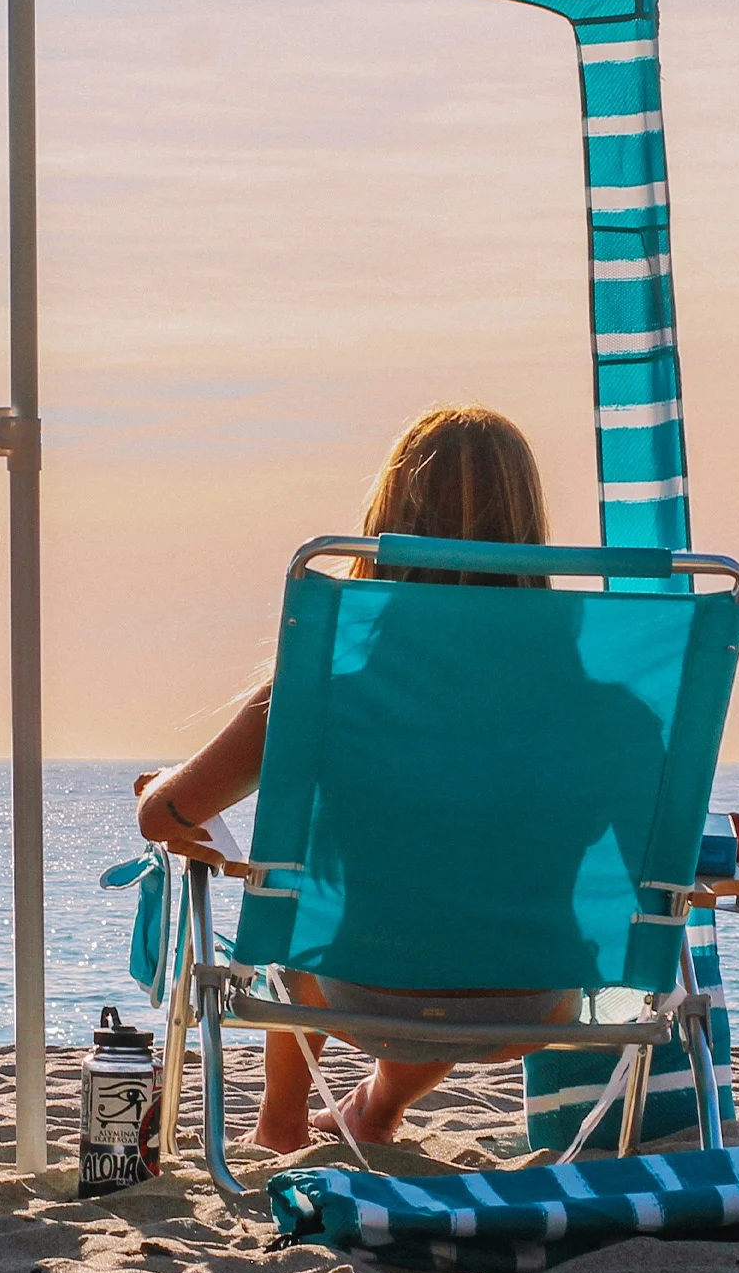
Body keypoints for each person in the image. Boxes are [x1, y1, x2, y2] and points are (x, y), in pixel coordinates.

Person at [133, 402, 579, 1154]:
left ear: (386, 521)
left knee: (299, 900)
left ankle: (279, 1124)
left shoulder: (320, 687)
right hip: (533, 1000)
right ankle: (374, 1110)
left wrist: (172, 800)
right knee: (450, 919)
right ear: (530, 532)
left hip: (355, 990)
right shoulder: (590, 697)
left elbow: (164, 817)